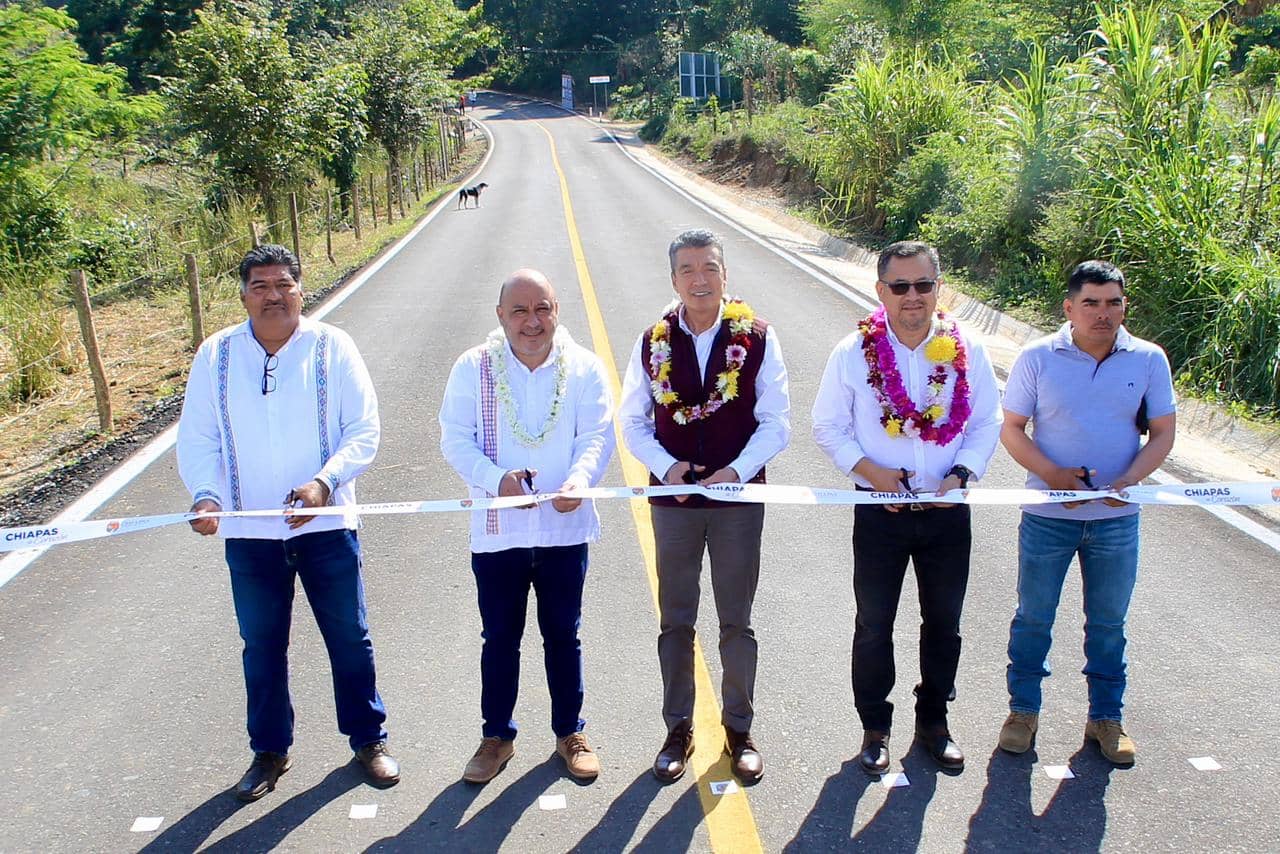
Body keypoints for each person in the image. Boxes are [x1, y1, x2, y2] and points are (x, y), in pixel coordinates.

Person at [177, 244, 398, 802]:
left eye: (284, 285)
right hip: (250, 534)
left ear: (301, 289)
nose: (274, 296)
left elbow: (363, 429)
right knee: (262, 644)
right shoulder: (216, 354)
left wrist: (325, 483)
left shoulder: (333, 347)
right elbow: (199, 436)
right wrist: (206, 497)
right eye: (260, 286)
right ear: (245, 294)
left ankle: (369, 741)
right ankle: (269, 752)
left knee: (349, 638)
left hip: (325, 526)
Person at [812, 240, 1001, 775]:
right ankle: (875, 727)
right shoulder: (853, 353)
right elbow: (828, 426)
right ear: (881, 292)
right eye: (901, 286)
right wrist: (872, 476)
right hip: (880, 513)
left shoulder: (969, 350)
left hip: (947, 513)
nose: (912, 297)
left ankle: (934, 722)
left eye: (923, 285)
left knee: (944, 623)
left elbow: (986, 420)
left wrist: (963, 473)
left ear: (939, 289)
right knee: (875, 624)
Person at [620, 229, 790, 785]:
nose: (700, 279)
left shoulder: (759, 337)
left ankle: (739, 731)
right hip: (673, 500)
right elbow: (634, 421)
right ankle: (678, 730)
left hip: (738, 500)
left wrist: (734, 472)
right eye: (688, 269)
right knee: (676, 619)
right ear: (673, 280)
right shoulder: (652, 340)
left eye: (709, 268)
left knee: (736, 621)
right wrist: (668, 469)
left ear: (724, 274)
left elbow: (776, 422)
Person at [439, 269, 615, 784]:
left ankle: (570, 732)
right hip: (499, 532)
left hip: (565, 530)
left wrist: (579, 480)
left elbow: (597, 435)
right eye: (520, 310)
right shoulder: (473, 367)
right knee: (499, 637)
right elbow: (455, 438)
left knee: (564, 635)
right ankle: (497, 736)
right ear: (500, 316)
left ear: (557, 312)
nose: (532, 322)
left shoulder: (582, 367)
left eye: (543, 309)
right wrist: (497, 482)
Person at [998, 260, 1176, 765]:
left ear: (1124, 306)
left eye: (1113, 302)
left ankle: (1106, 718)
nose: (1104, 314)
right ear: (1069, 308)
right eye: (1092, 303)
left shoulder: (1147, 359)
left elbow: (1162, 432)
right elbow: (1012, 428)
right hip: (1048, 518)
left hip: (1116, 520)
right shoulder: (1037, 357)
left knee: (1108, 624)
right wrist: (1053, 477)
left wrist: (1128, 482)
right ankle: (1023, 712)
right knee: (1033, 618)